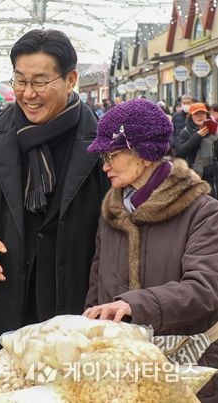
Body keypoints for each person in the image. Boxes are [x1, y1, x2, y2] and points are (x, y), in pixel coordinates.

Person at [0, 29, 109, 371]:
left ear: (70, 80)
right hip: (6, 289)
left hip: (74, 295)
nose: (28, 94)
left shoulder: (100, 141)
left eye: (40, 82)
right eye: (20, 81)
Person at [84, 99, 218, 402]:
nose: (105, 166)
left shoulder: (203, 212)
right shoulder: (113, 212)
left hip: (186, 372)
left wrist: (133, 305)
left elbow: (205, 289)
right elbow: (97, 285)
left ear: (144, 154)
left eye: (112, 155)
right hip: (119, 374)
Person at [174, 102, 218, 198]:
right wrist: (198, 136)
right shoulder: (185, 132)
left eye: (202, 113)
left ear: (206, 115)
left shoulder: (214, 131)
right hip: (194, 174)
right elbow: (180, 152)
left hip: (212, 175)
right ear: (191, 116)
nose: (200, 116)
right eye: (196, 114)